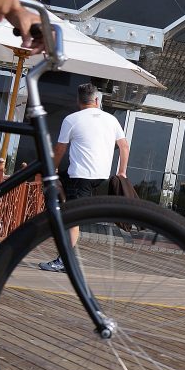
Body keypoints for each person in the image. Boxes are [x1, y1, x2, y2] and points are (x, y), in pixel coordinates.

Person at [39, 83, 129, 272]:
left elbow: (60, 149)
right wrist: (122, 172)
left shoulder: (71, 119)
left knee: (71, 219)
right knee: (68, 210)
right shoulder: (111, 120)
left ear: (78, 101)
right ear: (97, 100)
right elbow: (124, 147)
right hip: (100, 176)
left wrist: (52, 170)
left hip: (81, 176)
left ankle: (64, 261)